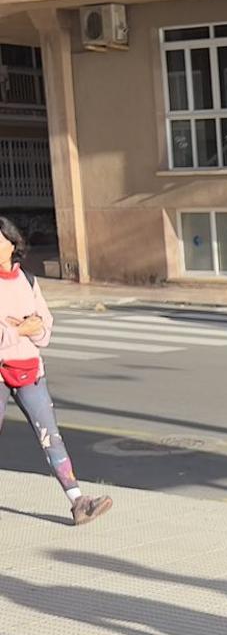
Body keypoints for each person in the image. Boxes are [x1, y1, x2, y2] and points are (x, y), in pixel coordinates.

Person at [0, 215, 111, 529]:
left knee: (52, 438)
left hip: (30, 372)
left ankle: (78, 502)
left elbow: (45, 329)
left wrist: (26, 329)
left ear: (12, 243)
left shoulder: (28, 281)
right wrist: (21, 330)